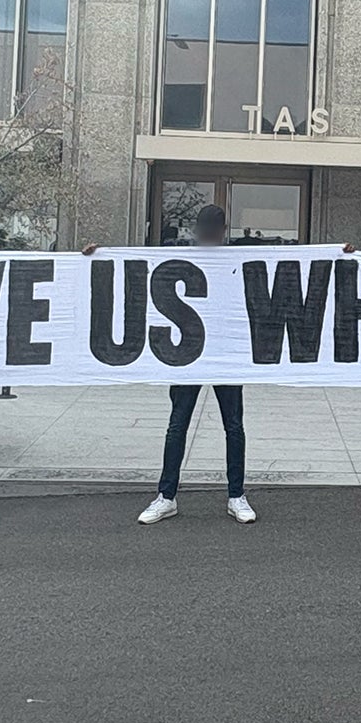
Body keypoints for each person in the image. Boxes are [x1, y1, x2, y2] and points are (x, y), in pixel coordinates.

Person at [87, 204, 256, 525]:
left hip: (223, 355)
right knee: (178, 425)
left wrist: (340, 255)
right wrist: (99, 255)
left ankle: (236, 495)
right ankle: (166, 496)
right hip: (187, 354)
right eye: (203, 233)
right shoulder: (178, 253)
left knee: (233, 426)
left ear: (221, 233)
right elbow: (137, 259)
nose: (207, 238)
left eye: (211, 233)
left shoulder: (237, 257)